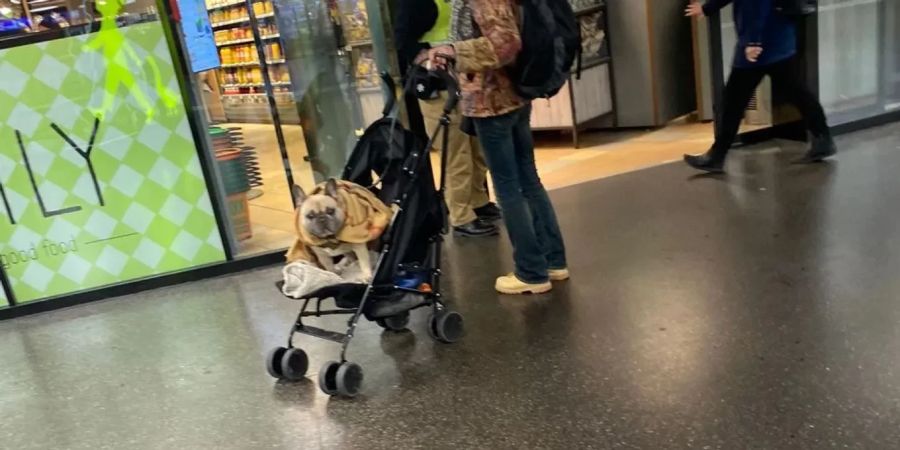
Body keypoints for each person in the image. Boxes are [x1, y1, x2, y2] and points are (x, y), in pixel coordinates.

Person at [427, 0, 569, 295]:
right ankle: (553, 261)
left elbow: (505, 43)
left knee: (509, 189)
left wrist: (454, 51)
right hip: (515, 95)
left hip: (491, 102)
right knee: (529, 181)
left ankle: (531, 272)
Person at [684, 0, 837, 173]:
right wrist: (708, 8)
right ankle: (823, 138)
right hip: (778, 36)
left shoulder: (756, 40)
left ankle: (717, 156)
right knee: (796, 91)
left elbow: (758, 3)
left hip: (764, 42)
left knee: (733, 101)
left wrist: (753, 42)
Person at [393, 0, 501, 238]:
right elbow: (401, 41)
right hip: (437, 83)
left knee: (475, 145)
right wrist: (427, 54)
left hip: (466, 79)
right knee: (455, 152)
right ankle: (461, 215)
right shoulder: (412, 5)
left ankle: (479, 200)